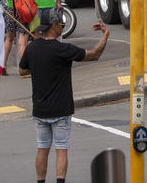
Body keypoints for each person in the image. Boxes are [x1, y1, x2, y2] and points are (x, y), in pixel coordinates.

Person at [19, 10, 110, 183]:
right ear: (53, 26)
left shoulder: (32, 48)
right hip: (60, 109)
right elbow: (94, 55)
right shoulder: (63, 49)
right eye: (61, 24)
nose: (62, 27)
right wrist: (105, 35)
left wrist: (39, 67)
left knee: (42, 148)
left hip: (39, 109)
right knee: (61, 149)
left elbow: (22, 70)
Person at [1, 0, 40, 76]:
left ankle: (3, 64)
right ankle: (23, 69)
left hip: (10, 12)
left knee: (9, 38)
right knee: (22, 41)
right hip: (22, 12)